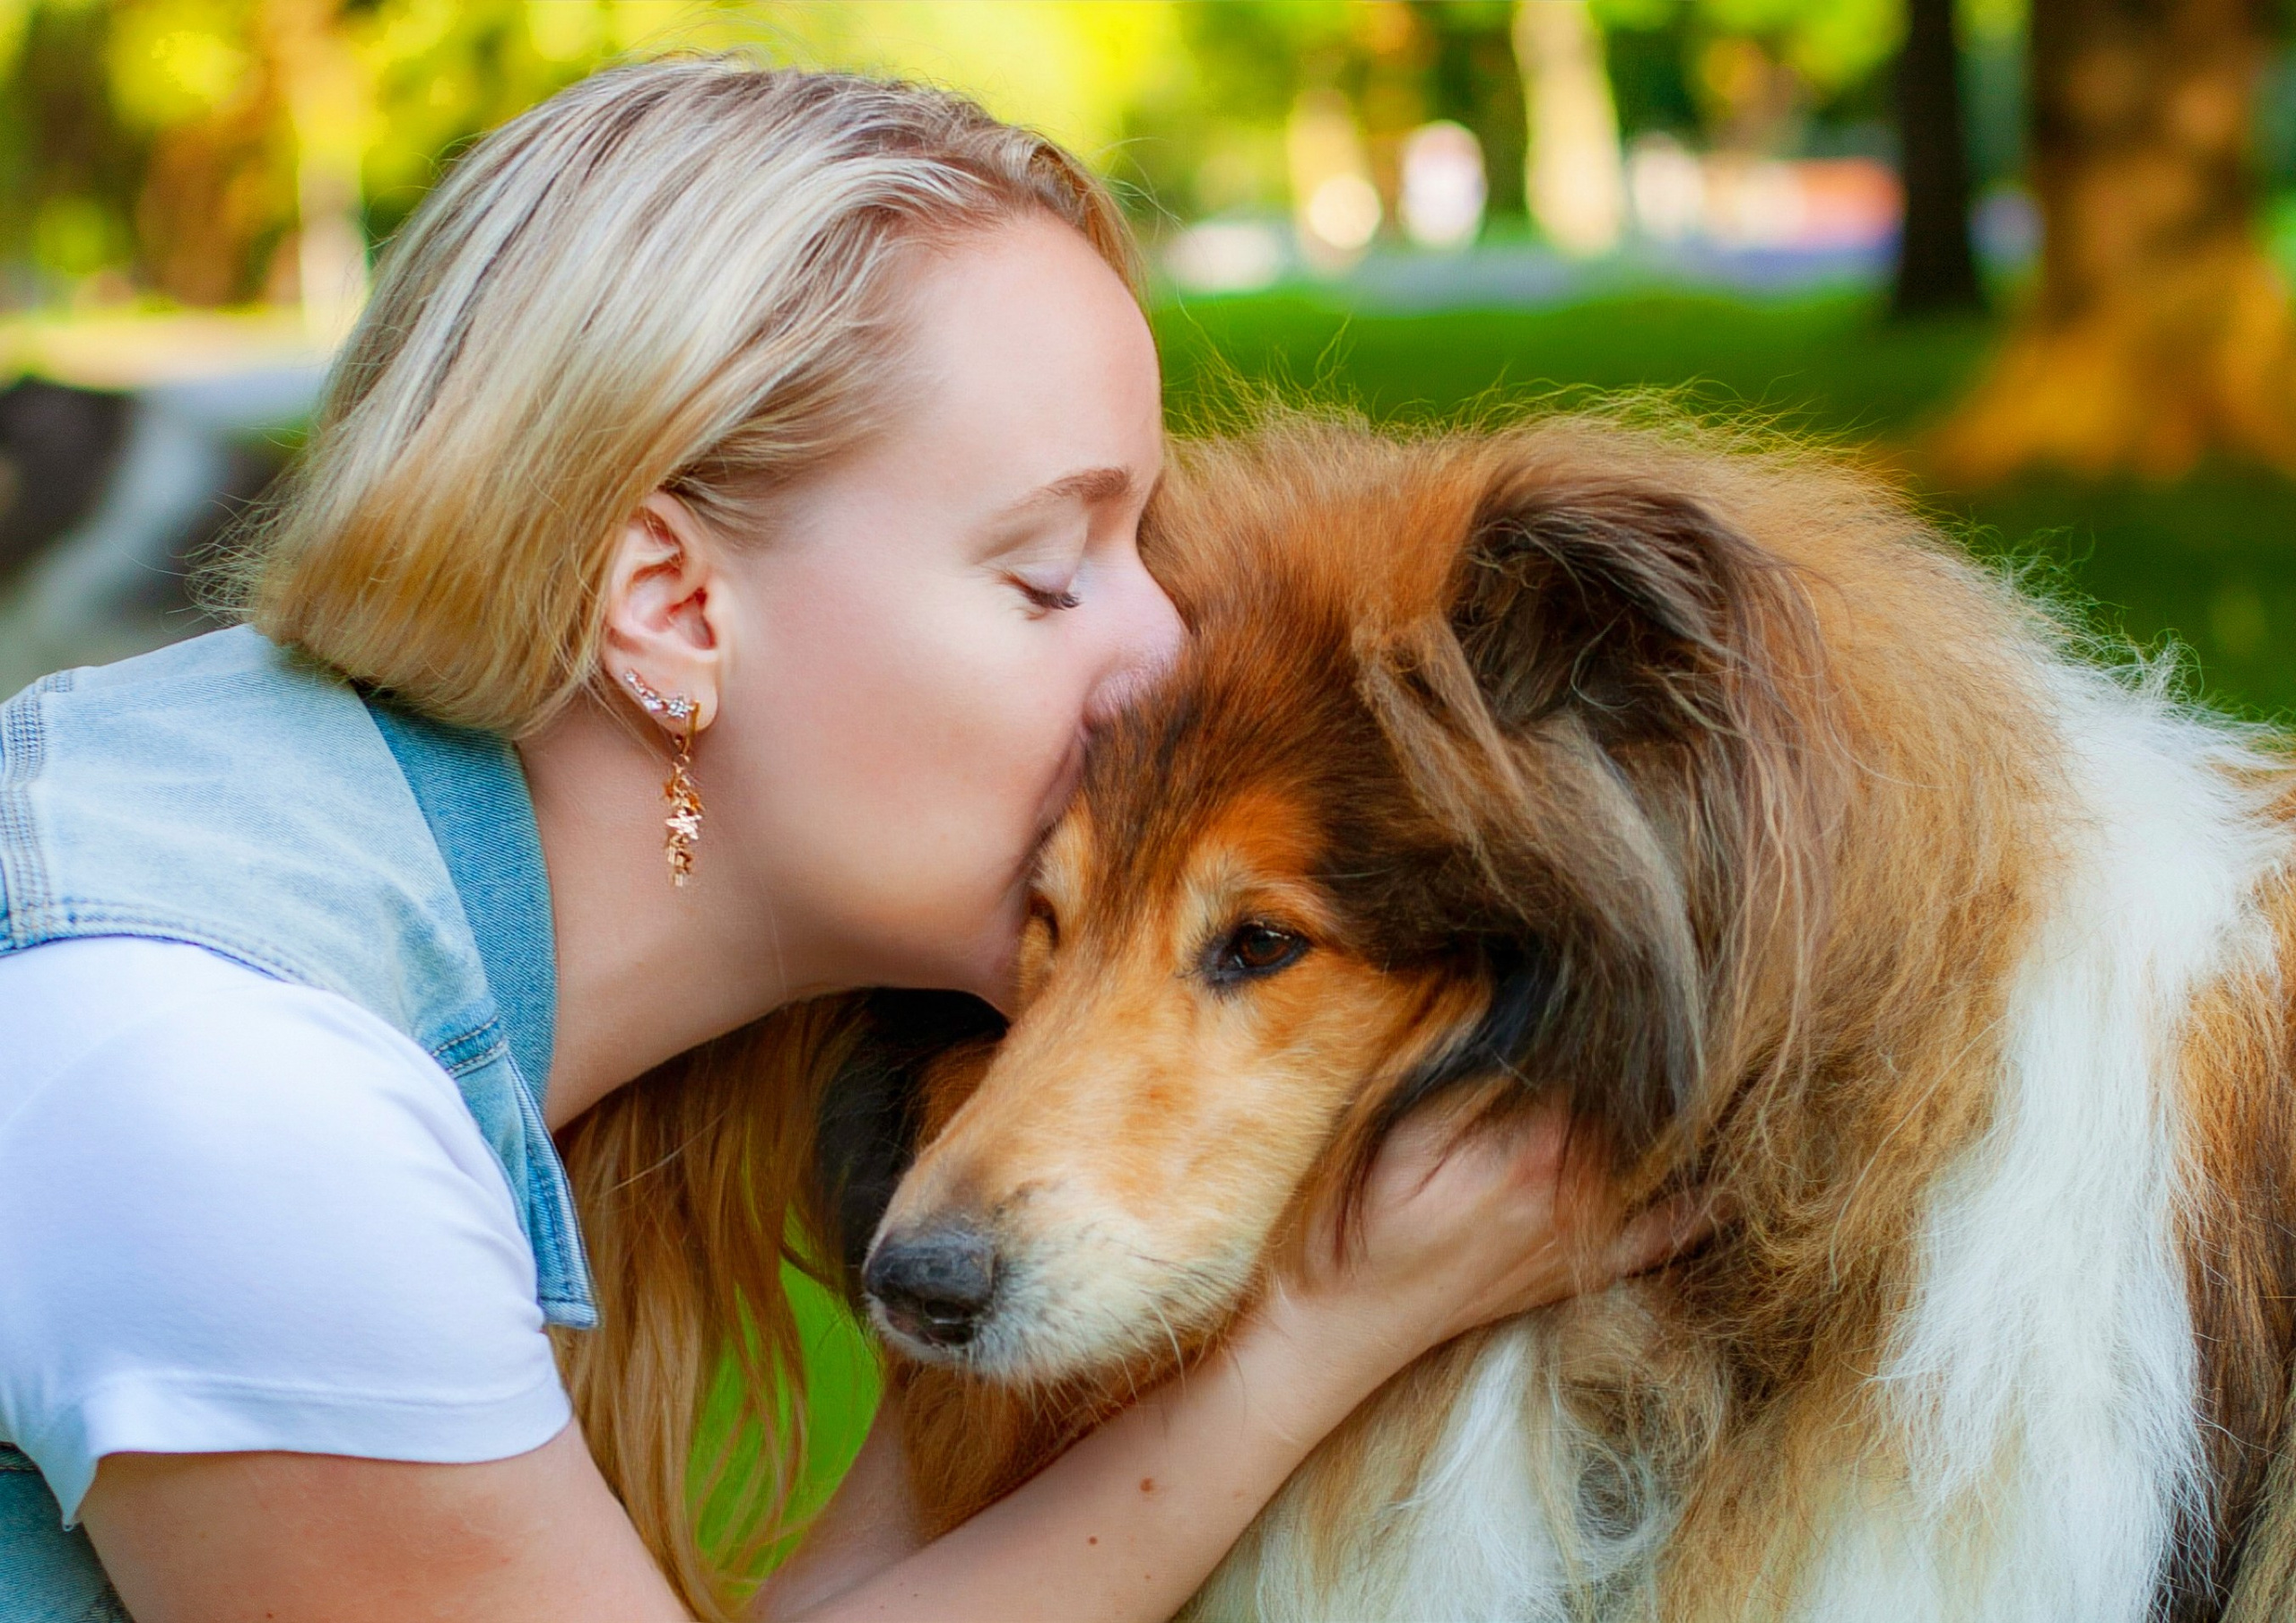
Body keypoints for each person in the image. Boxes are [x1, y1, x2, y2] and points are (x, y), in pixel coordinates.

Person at [0, 58, 1694, 1623]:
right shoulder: (226, 1093)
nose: (1166, 652)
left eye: (1149, 542)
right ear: (672, 607)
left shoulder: (307, 865)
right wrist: (1315, 1338)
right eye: (1052, 571)